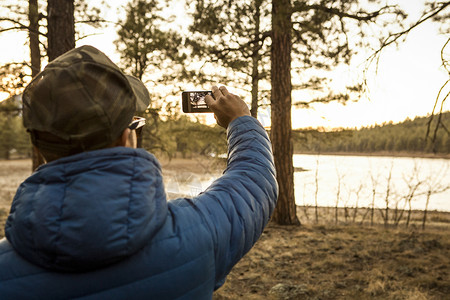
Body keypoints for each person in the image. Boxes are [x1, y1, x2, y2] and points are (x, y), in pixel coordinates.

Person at [0, 45, 278, 299]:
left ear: (39, 145)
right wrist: (241, 120)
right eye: (135, 124)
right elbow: (254, 178)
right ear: (125, 137)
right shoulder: (200, 235)